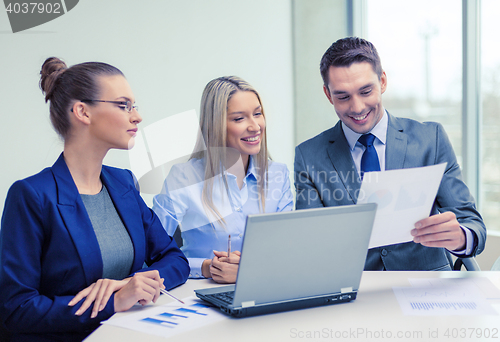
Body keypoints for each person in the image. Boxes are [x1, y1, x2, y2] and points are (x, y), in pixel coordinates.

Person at [0, 57, 189, 341]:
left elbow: (175, 259)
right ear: (82, 112)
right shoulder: (32, 195)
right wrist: (113, 302)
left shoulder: (123, 183)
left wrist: (129, 284)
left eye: (134, 106)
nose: (137, 116)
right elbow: (16, 309)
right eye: (124, 105)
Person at [294, 37, 486, 271]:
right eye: (343, 97)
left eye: (366, 91)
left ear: (382, 81)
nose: (357, 107)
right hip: (355, 292)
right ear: (328, 94)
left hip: (426, 287)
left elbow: (472, 223)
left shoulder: (430, 139)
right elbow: (309, 243)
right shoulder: (309, 156)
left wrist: (461, 237)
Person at [153, 76, 293, 283]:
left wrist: (250, 267)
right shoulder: (184, 177)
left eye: (258, 114)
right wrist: (206, 267)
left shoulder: (278, 175)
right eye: (239, 119)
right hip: (201, 293)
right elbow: (153, 252)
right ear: (215, 125)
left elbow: (287, 248)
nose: (255, 126)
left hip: (265, 285)